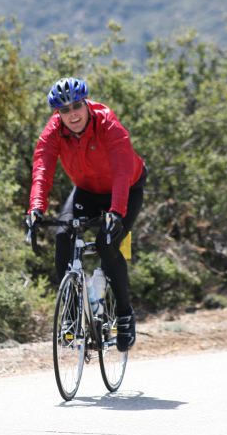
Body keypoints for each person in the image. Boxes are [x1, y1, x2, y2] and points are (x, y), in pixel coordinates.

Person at [26, 77, 147, 352]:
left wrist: (116, 211)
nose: (72, 114)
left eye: (77, 106)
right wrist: (35, 209)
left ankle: (125, 314)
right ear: (58, 114)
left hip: (126, 187)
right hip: (87, 191)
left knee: (107, 243)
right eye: (64, 110)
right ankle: (69, 316)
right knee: (62, 236)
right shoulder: (54, 131)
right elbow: (42, 169)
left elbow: (121, 171)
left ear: (86, 104)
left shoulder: (107, 123)